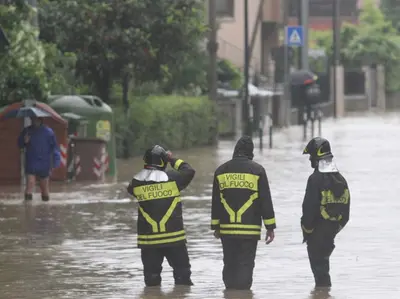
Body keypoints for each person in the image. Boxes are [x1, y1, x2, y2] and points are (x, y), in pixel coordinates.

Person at [211, 136, 276, 290]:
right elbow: (265, 200)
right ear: (250, 152)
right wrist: (270, 227)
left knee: (229, 262)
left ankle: (230, 292)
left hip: (227, 229)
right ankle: (244, 293)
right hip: (250, 229)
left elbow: (216, 201)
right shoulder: (258, 170)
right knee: (246, 263)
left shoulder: (221, 170)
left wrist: (216, 227)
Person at [127, 145, 196, 287]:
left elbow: (130, 189)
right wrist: (172, 159)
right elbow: (189, 170)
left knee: (151, 283)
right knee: (183, 279)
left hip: (149, 242)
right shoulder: (173, 179)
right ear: (163, 161)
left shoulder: (136, 183)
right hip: (174, 239)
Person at [301, 137, 350, 288]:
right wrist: (334, 229)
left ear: (317, 156)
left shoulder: (315, 179)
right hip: (331, 233)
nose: (310, 159)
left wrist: (308, 230)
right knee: (323, 271)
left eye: (311, 156)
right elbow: (346, 212)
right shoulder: (341, 179)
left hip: (316, 233)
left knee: (320, 277)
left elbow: (308, 208)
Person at [17, 116, 61, 202]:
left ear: (41, 120)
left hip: (44, 162)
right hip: (31, 161)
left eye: (36, 119)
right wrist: (24, 141)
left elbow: (55, 148)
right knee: (30, 183)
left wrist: (56, 161)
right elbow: (20, 144)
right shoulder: (27, 131)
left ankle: (45, 208)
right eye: (33, 119)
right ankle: (28, 207)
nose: (34, 121)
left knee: (44, 188)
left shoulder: (49, 132)